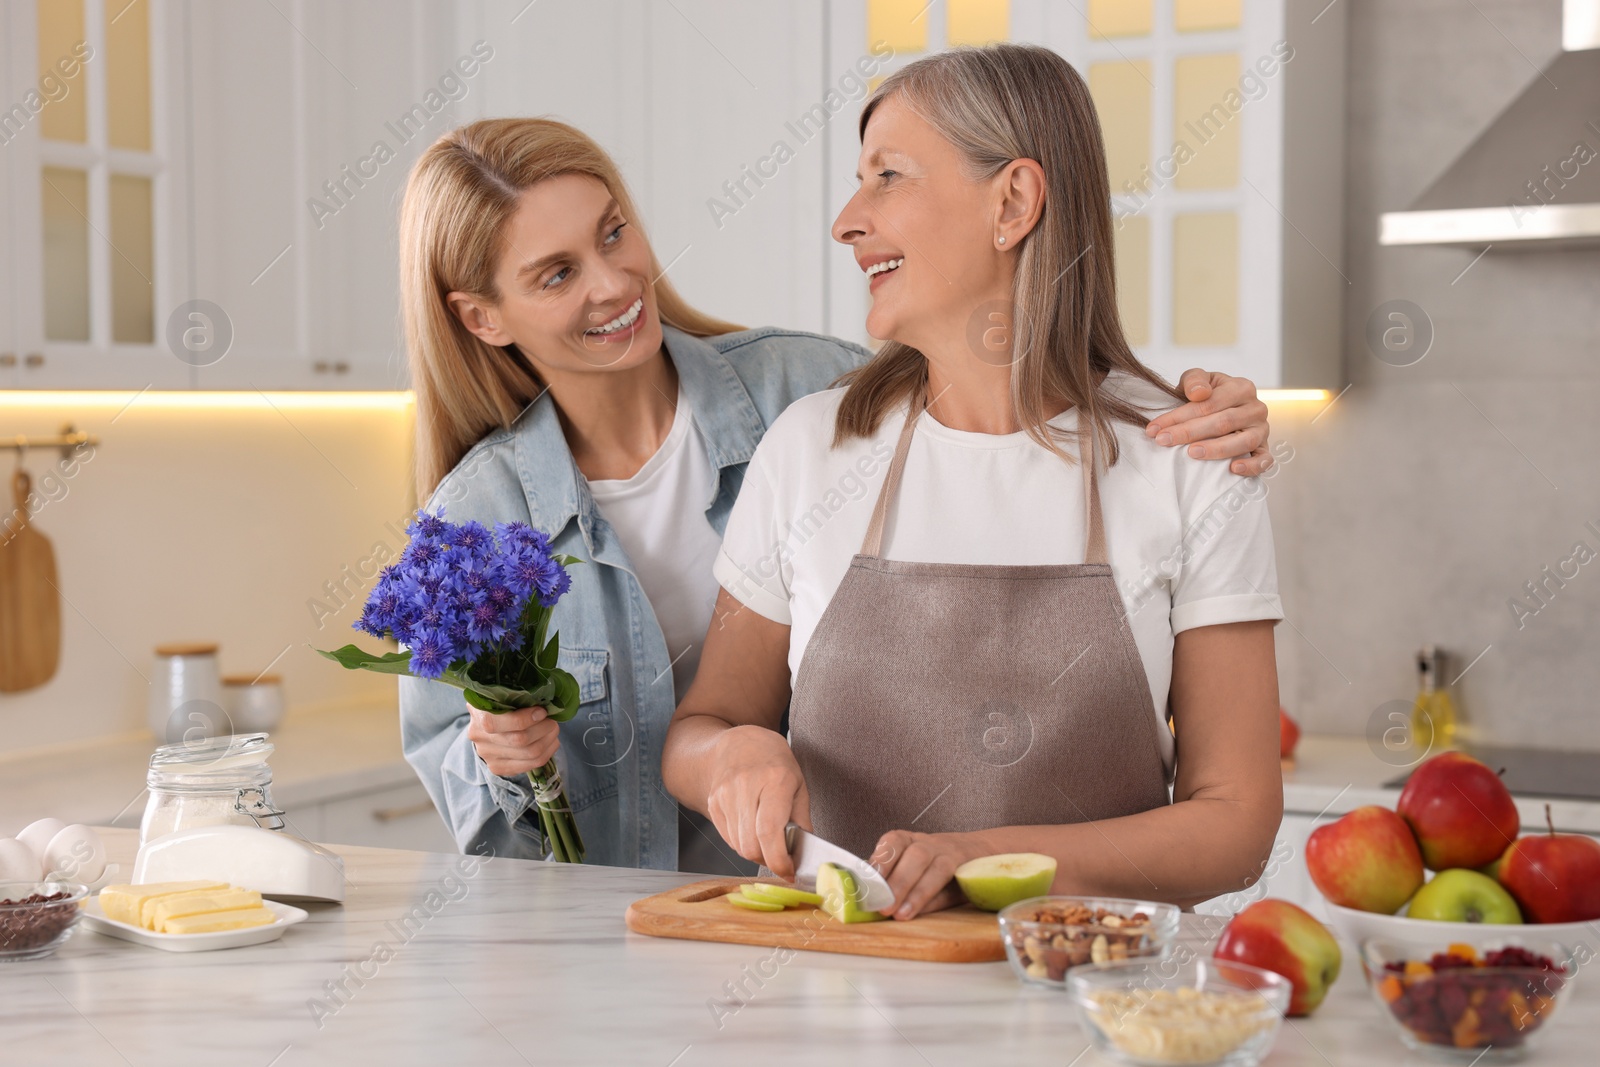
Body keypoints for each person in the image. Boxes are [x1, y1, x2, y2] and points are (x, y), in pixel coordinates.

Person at [396, 116, 1276, 874]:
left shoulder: (812, 398)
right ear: (483, 317)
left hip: (813, 908)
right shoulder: (472, 525)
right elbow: (478, 822)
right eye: (557, 274)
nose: (614, 283)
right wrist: (503, 757)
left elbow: (1000, 392)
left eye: (614, 234)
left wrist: (1184, 410)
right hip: (629, 938)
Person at [662, 42, 1283, 915]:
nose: (846, 218)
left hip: (1092, 1006)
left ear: (1014, 202)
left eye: (889, 177)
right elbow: (700, 729)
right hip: (831, 1012)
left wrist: (981, 857)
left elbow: (1238, 823)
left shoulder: (1190, 459)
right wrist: (727, 758)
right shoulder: (809, 450)